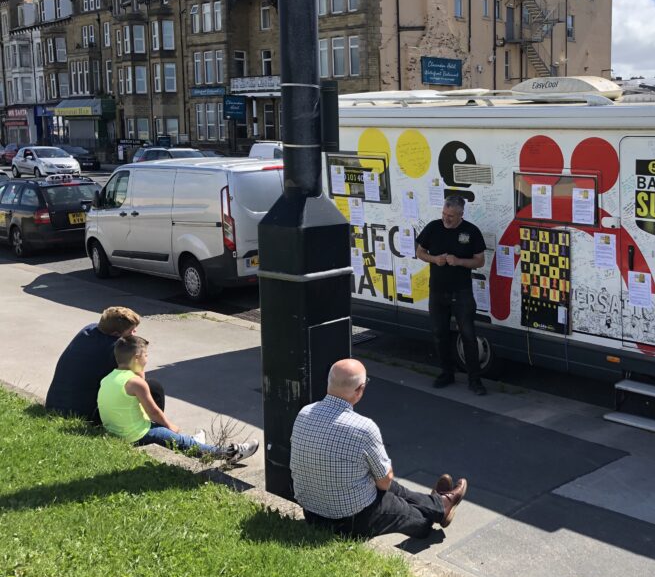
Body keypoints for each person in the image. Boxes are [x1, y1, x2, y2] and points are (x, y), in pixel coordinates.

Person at [290, 358, 468, 539]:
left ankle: (439, 504)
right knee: (410, 514)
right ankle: (435, 511)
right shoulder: (363, 427)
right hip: (350, 519)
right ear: (360, 390)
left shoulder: (304, 413)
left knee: (393, 488)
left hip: (312, 513)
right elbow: (384, 482)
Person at [97, 335, 258, 461]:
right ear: (137, 358)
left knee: (179, 439)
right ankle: (230, 453)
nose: (147, 358)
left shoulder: (108, 378)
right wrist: (170, 426)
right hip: (135, 435)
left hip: (116, 431)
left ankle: (191, 440)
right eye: (146, 355)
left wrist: (140, 371)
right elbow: (153, 412)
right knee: (183, 443)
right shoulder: (136, 383)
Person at [415, 195, 487, 395]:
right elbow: (420, 251)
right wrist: (434, 259)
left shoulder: (471, 231)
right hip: (437, 290)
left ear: (461, 215)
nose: (446, 219)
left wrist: (460, 261)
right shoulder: (433, 227)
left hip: (461, 291)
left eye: (451, 216)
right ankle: (447, 373)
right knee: (439, 334)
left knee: (468, 335)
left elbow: (480, 260)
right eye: (444, 214)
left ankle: (475, 380)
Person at [45, 306, 168, 423]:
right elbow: (140, 378)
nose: (134, 332)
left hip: (53, 404)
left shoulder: (88, 330)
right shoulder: (116, 348)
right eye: (131, 330)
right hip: (85, 414)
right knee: (153, 387)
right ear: (116, 334)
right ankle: (153, 426)